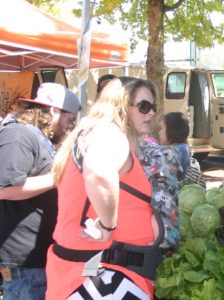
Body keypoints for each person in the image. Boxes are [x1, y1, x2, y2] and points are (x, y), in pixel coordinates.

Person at [46, 77, 161, 299]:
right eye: (143, 106)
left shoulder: (90, 134)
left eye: (153, 107)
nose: (151, 113)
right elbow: (98, 171)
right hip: (103, 279)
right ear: (120, 105)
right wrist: (108, 226)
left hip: (88, 273)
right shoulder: (111, 134)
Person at [0, 83, 81, 300]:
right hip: (24, 262)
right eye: (69, 120)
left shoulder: (39, 137)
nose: (69, 126)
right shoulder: (19, 134)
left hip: (39, 259)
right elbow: (5, 189)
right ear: (54, 110)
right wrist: (57, 178)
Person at [138, 112, 190, 250]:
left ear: (172, 131)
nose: (159, 133)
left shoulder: (174, 152)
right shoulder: (183, 148)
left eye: (161, 129)